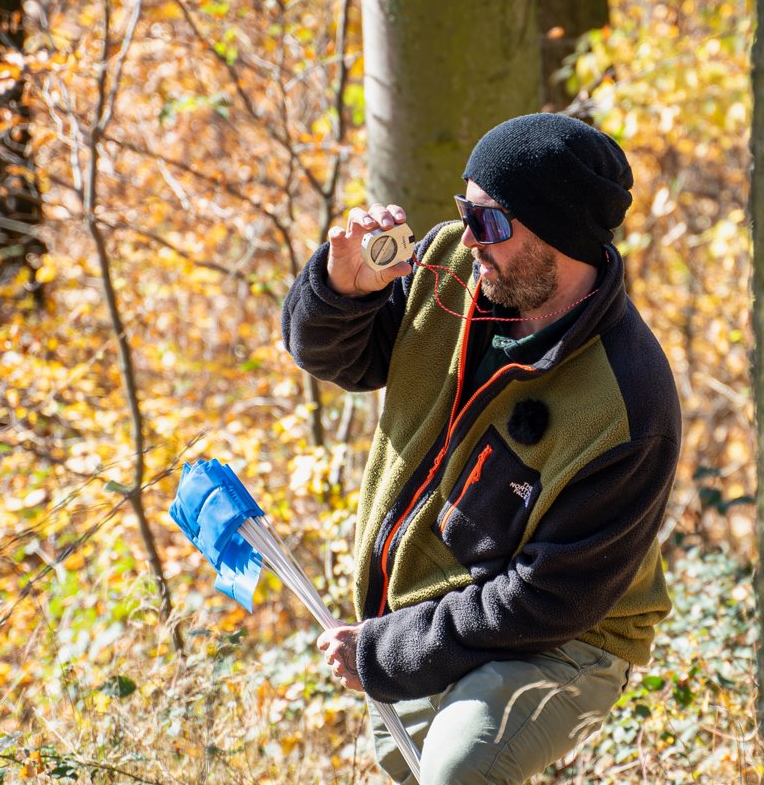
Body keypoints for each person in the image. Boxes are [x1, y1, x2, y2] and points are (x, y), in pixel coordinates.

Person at [280, 113, 681, 784]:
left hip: (569, 641)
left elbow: (550, 600)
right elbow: (337, 359)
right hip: (440, 613)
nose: (468, 237)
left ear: (560, 233)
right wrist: (341, 287)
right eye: (466, 210)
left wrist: (391, 649)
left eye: (490, 221)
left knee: (459, 770)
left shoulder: (630, 400)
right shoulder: (451, 267)